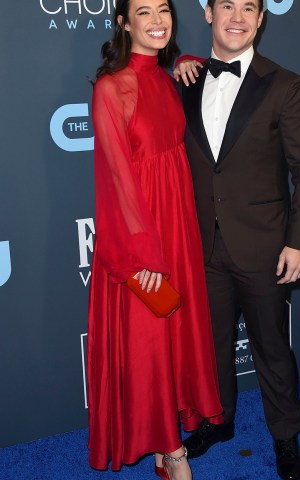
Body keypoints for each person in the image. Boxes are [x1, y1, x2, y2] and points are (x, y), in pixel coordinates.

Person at [174, 1, 300, 479]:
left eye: (248, 8)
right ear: (207, 14)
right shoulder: (187, 83)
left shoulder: (286, 86)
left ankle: (285, 435)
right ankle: (218, 422)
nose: (236, 16)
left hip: (264, 247)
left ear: (261, 19)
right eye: (226, 6)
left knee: (272, 348)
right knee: (212, 346)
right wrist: (180, 63)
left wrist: (299, 242)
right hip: (203, 246)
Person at [87, 1, 223, 479]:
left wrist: (188, 63)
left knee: (175, 336)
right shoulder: (110, 88)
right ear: (124, 23)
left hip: (178, 224)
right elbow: (116, 177)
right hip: (140, 234)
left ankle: (169, 450)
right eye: (143, 12)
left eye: (163, 9)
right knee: (148, 341)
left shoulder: (168, 78)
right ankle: (173, 451)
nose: (158, 20)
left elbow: (215, 81)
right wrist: (142, 251)